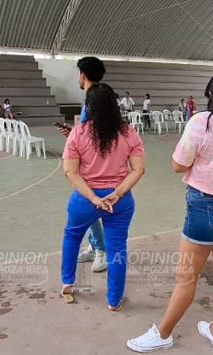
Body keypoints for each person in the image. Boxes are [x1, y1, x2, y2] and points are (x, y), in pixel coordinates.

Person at [127, 72, 213, 352]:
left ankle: (163, 333)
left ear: (211, 96)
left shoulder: (202, 122)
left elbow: (178, 164)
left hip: (206, 207)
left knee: (186, 276)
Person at [60, 83, 145, 311]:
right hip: (120, 201)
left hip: (84, 200)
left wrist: (93, 197)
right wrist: (117, 193)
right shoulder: (128, 132)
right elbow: (138, 169)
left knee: (72, 236)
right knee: (117, 248)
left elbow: (71, 171)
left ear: (89, 107)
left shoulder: (78, 133)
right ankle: (114, 300)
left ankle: (67, 284)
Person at [58, 56, 109, 273]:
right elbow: (91, 132)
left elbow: (96, 135)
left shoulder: (94, 100)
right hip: (91, 161)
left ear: (83, 74)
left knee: (90, 206)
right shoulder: (96, 98)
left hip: (93, 166)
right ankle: (95, 245)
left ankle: (102, 250)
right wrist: (74, 134)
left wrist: (76, 139)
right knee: (90, 207)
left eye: (79, 73)